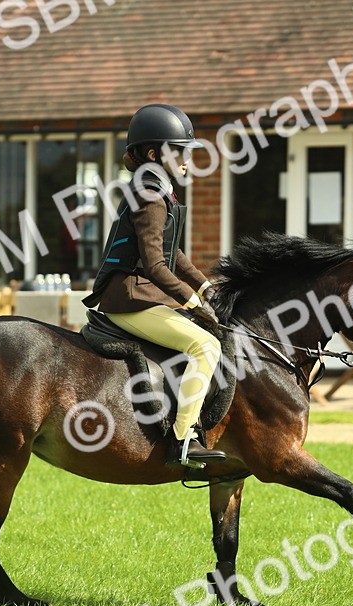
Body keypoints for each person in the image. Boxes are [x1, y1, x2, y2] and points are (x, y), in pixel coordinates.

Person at [82, 103, 224, 468]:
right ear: (153, 154)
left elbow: (173, 253)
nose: (188, 160)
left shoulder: (157, 191)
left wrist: (206, 288)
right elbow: (155, 266)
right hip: (130, 299)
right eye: (180, 151)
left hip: (139, 296)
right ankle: (184, 440)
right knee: (205, 345)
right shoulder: (150, 196)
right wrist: (193, 302)